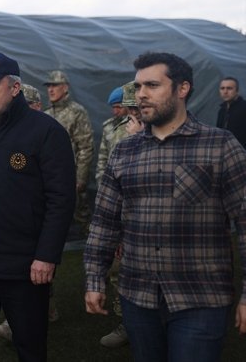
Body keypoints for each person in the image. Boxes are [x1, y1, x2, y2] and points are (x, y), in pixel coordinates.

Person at [84, 52, 246, 362]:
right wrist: (95, 278)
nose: (141, 94)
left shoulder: (220, 146)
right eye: (139, 85)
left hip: (200, 299)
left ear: (182, 89)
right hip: (137, 298)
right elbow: (104, 221)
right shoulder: (124, 152)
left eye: (152, 85)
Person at [0, 52, 76, 362]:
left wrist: (46, 256)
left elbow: (61, 200)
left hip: (26, 264)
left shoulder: (47, 132)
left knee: (29, 340)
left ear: (15, 87)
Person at [0, 81, 50, 342]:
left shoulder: (47, 131)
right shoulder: (0, 131)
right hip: (11, 226)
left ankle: (29, 320)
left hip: (37, 219)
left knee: (36, 274)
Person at [95, 81, 144, 349]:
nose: (131, 113)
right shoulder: (118, 129)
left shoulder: (156, 132)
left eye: (133, 107)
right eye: (129, 108)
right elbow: (107, 164)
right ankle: (128, 322)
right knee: (120, 267)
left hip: (149, 216)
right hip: (122, 210)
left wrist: (139, 136)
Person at [43, 71, 94, 232]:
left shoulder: (76, 112)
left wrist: (80, 179)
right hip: (50, 177)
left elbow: (85, 146)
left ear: (65, 88)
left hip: (70, 177)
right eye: (49, 86)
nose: (51, 89)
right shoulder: (46, 115)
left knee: (81, 215)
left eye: (55, 85)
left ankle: (94, 247)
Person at [216, 76, 246, 147]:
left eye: (229, 88)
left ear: (237, 91)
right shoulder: (222, 110)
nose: (225, 91)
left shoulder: (244, 107)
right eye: (222, 88)